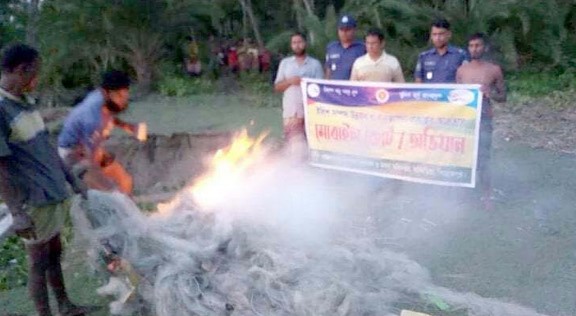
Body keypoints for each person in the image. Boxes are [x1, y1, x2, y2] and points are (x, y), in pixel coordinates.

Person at [0, 44, 89, 316]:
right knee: (38, 262)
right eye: (34, 74)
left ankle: (64, 305)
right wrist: (17, 213)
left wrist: (71, 179)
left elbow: (47, 147)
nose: (36, 80)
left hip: (50, 194)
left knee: (54, 253)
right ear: (20, 70)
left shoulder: (24, 103)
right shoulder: (1, 109)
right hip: (32, 201)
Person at [58, 70, 144, 195]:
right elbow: (90, 158)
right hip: (74, 154)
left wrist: (129, 127)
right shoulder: (92, 118)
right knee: (109, 193)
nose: (123, 101)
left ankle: (127, 210)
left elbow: (109, 116)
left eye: (125, 96)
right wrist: (101, 179)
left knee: (125, 181)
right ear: (105, 92)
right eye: (119, 96)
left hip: (91, 148)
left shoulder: (102, 98)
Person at [456, 33, 506, 209]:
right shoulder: (462, 71)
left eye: (477, 45)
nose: (474, 49)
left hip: (484, 119)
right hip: (465, 120)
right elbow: (455, 96)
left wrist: (489, 93)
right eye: (471, 46)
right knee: (464, 157)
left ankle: (487, 196)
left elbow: (503, 96)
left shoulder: (493, 69)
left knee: (483, 159)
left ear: (484, 47)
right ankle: (463, 194)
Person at [274, 32, 323, 148]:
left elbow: (321, 89)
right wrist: (290, 81)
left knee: (312, 143)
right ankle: (293, 165)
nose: (297, 45)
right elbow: (277, 87)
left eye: (300, 42)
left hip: (311, 112)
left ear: (305, 43)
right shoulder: (285, 63)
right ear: (291, 45)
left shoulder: (315, 64)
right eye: (294, 43)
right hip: (291, 112)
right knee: (293, 145)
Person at [414, 19, 469, 83]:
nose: (437, 38)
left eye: (441, 34)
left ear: (449, 34)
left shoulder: (460, 55)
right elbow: (418, 81)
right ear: (431, 36)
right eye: (434, 34)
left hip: (453, 92)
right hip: (430, 93)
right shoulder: (424, 57)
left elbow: (467, 79)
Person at [325, 14, 366, 80]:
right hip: (334, 88)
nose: (344, 32)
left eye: (348, 29)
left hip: (354, 88)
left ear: (354, 30)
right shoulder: (331, 47)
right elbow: (328, 71)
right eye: (341, 29)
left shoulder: (362, 48)